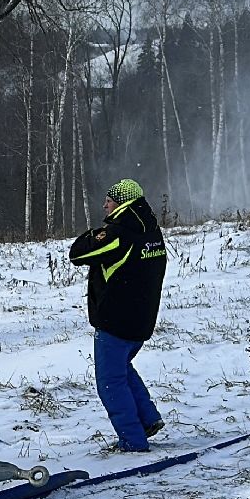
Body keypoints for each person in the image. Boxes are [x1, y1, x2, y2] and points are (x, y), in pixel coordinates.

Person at [68, 178, 169, 451]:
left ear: (122, 203)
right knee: (122, 369)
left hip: (117, 321)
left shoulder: (120, 232)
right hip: (142, 319)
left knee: (110, 382)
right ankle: (147, 420)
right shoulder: (150, 230)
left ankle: (132, 441)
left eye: (109, 201)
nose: (105, 206)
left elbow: (77, 254)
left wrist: (96, 232)